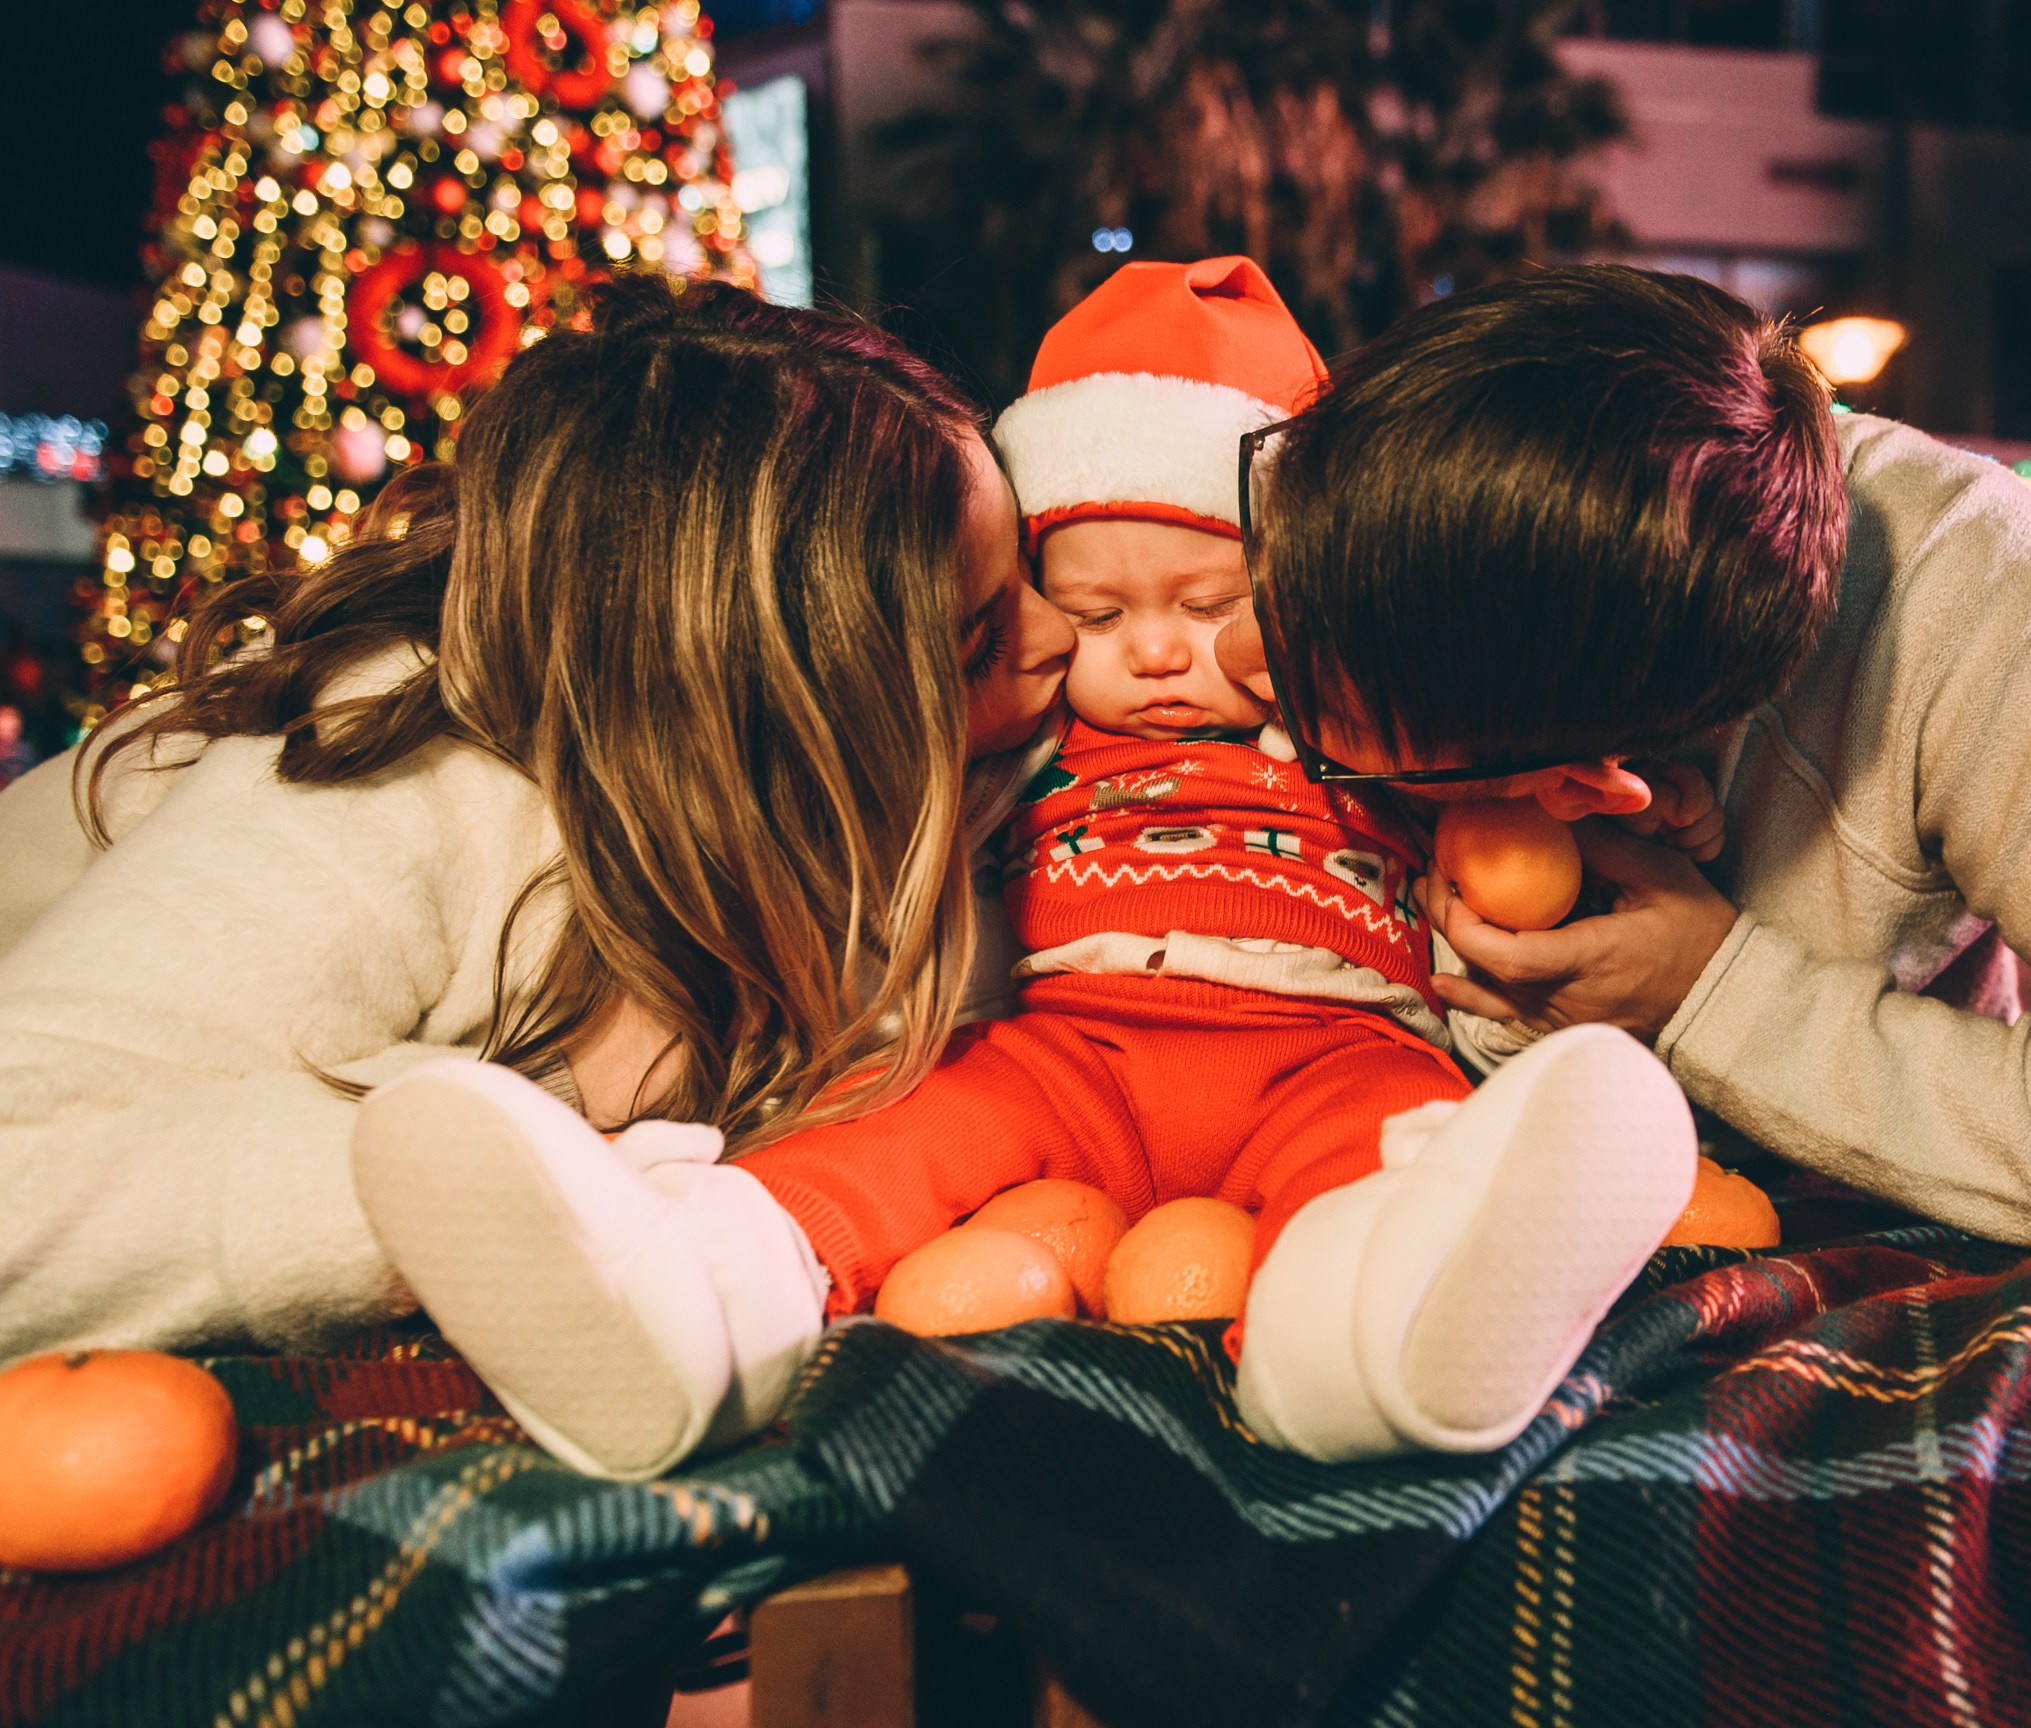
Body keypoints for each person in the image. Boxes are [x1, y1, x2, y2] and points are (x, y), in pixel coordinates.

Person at [348, 258, 1703, 1479]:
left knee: (1385, 1161)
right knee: (883, 1150)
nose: (1155, 654)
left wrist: (1603, 806)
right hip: (1066, 1057)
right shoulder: (1015, 734)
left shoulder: (1357, 729)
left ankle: (1386, 1347)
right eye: (1096, 611)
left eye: (1211, 606)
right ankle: (681, 1306)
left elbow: (1505, 793)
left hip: (1331, 1053)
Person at [0, 276, 1074, 1367]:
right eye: (977, 640)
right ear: (763, 723)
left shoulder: (886, 782)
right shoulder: (385, 782)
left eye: (1030, 564)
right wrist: (467, 1175)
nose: (1063, 632)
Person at [1214, 263, 2031, 1247]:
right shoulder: (1469, 487)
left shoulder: (1993, 621)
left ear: (1582, 786)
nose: (1231, 653)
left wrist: (1709, 994)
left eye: (1340, 721)